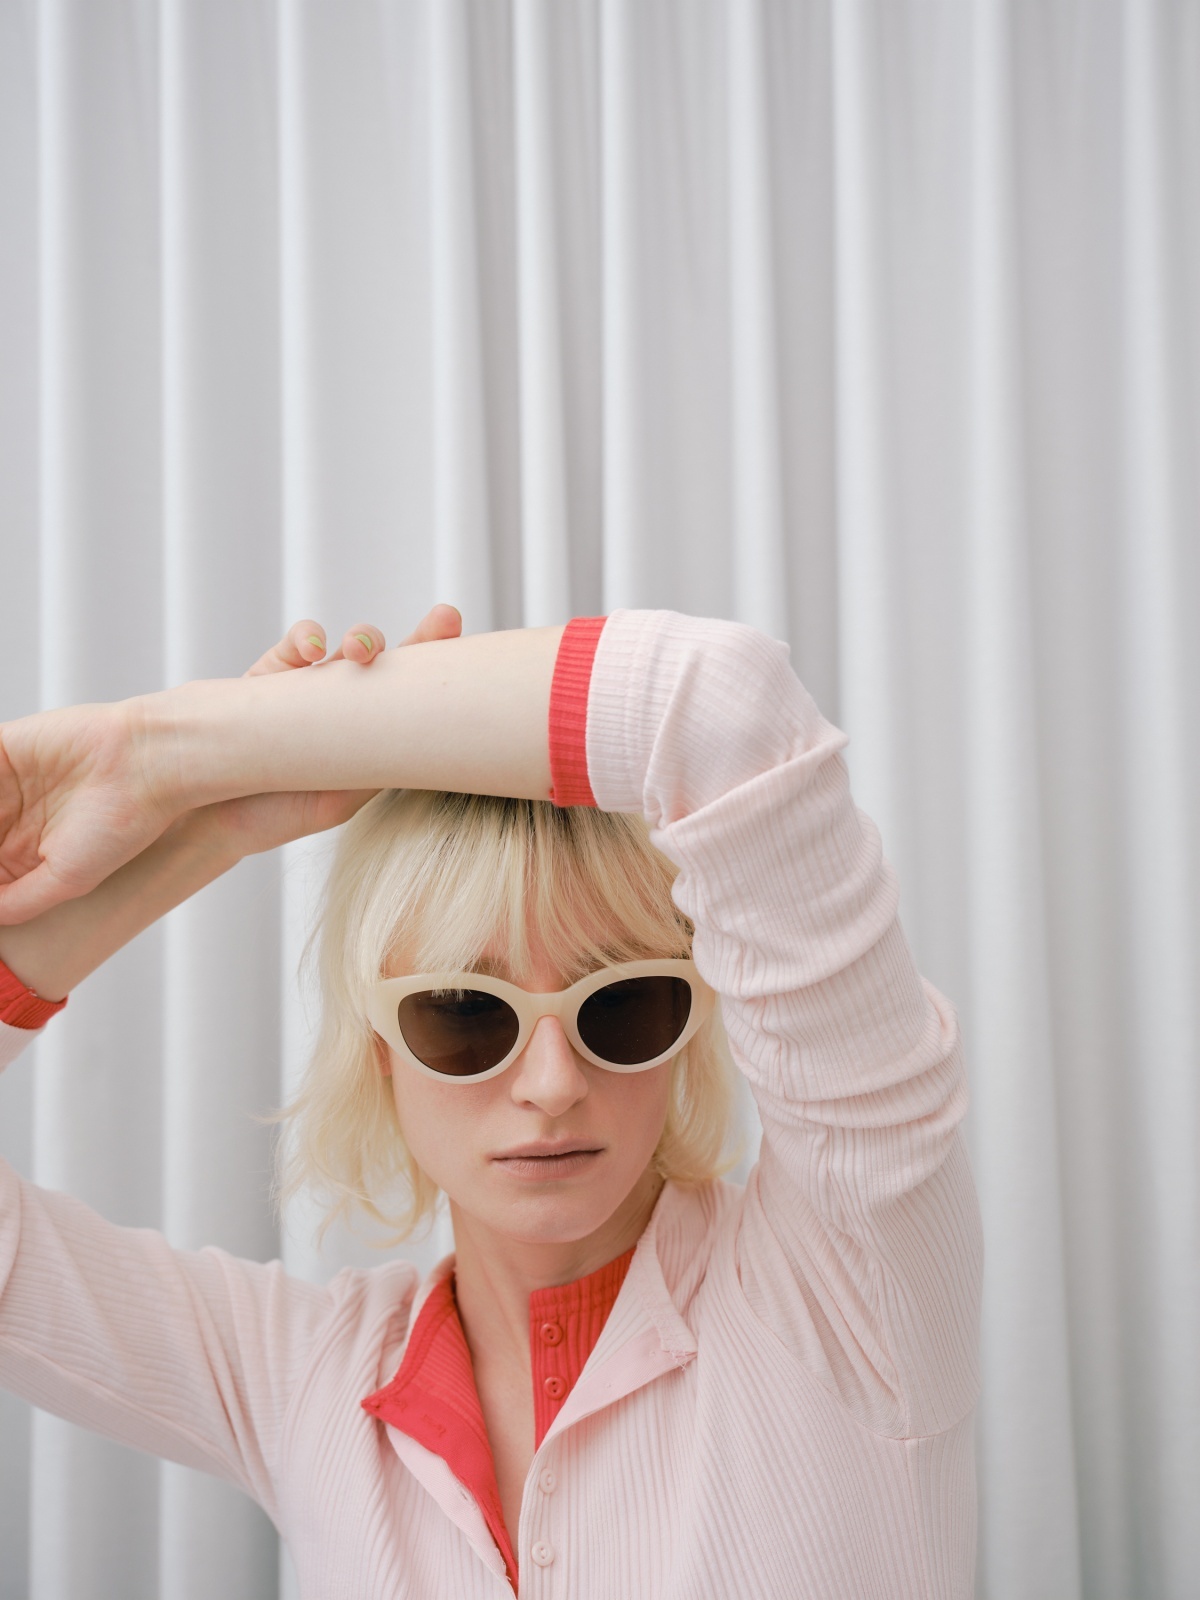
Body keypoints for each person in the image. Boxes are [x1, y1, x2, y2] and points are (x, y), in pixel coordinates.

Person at [0, 604, 983, 1599]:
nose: (552, 1085)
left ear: (693, 1017)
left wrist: (167, 751)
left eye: (623, 1004)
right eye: (465, 1012)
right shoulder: (302, 1377)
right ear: (381, 1047)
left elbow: (727, 711)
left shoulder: (850, 1290)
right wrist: (215, 826)